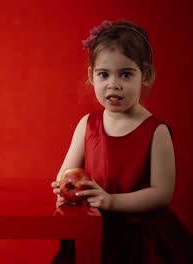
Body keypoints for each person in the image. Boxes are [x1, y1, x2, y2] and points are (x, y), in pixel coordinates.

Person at [50, 20, 192, 263]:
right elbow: (66, 174)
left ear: (145, 76)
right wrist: (62, 190)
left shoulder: (156, 131)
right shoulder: (87, 125)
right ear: (91, 76)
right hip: (95, 229)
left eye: (125, 74)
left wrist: (112, 201)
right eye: (103, 74)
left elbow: (162, 193)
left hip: (139, 237)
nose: (113, 84)